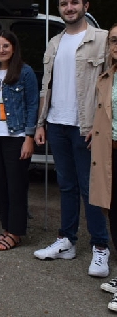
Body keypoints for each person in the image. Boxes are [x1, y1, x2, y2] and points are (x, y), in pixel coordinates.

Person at [33, 0, 110, 277]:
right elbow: (46, 87)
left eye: (74, 2)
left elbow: (109, 84)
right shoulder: (54, 42)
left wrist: (100, 127)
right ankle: (67, 240)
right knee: (64, 187)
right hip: (57, 124)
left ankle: (100, 247)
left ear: (85, 5)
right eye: (64, 3)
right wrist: (41, 124)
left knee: (91, 189)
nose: (69, 7)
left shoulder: (101, 40)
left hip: (86, 127)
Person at [0, 30, 38, 251]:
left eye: (5, 46)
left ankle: (16, 232)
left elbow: (32, 105)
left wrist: (29, 137)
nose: (1, 50)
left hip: (16, 136)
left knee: (16, 186)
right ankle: (7, 228)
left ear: (14, 48)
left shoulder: (26, 72)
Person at [90, 24, 117, 311]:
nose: (116, 44)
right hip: (110, 153)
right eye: (113, 40)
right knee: (114, 212)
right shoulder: (107, 77)